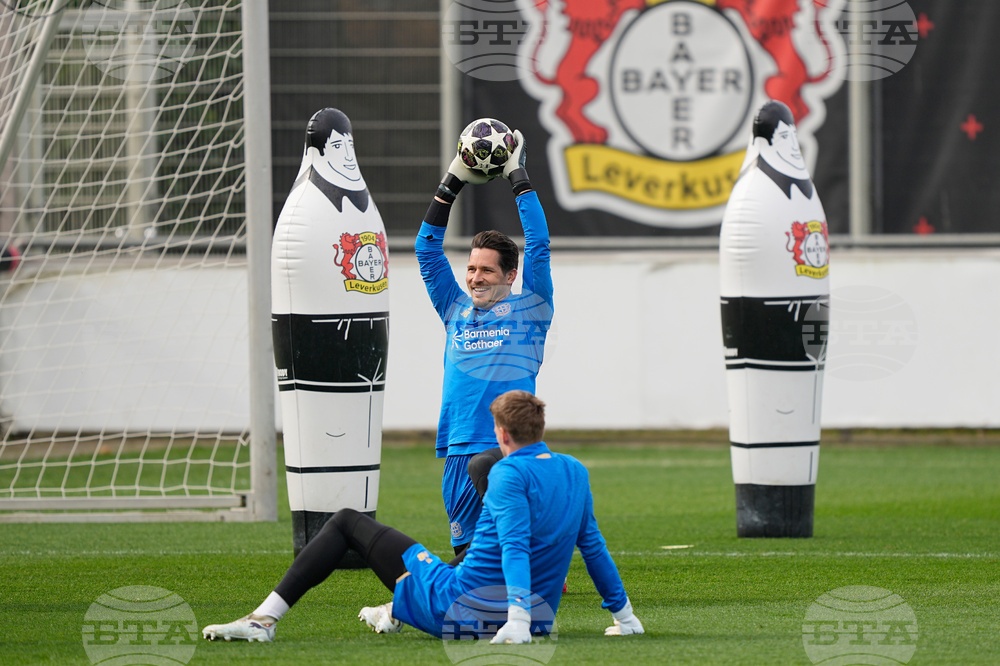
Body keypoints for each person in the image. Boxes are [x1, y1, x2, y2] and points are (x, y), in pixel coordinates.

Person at [201, 390, 644, 644]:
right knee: (434, 559)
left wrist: (519, 622)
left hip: (462, 608)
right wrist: (624, 617)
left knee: (346, 521)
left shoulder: (507, 472)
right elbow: (593, 547)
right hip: (537, 614)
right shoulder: (574, 470)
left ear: (502, 433)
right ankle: (392, 610)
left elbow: (513, 545)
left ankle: (261, 621)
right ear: (540, 430)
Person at [416, 128, 554, 557]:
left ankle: (540, 564)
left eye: (487, 271)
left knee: (501, 552)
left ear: (510, 276)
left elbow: (539, 245)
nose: (475, 277)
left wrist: (518, 175)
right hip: (458, 447)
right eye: (471, 269)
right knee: (468, 557)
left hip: (508, 448)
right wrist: (453, 179)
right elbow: (426, 249)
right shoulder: (454, 309)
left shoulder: (530, 309)